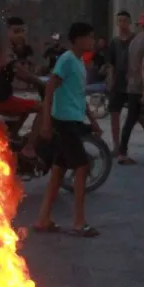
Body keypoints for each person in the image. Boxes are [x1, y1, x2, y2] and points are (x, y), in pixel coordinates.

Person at [32, 22, 104, 238]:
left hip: (73, 120)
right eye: (89, 37)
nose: (92, 41)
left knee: (59, 170)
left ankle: (43, 219)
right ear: (78, 39)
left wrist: (92, 119)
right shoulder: (66, 60)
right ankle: (79, 222)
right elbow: (50, 88)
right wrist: (46, 122)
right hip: (63, 122)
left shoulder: (80, 62)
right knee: (81, 167)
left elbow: (79, 95)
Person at [0, 16, 42, 140]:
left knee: (24, 109)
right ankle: (30, 148)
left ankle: (11, 137)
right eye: (16, 32)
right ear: (6, 32)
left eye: (22, 32)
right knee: (43, 107)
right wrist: (41, 83)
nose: (20, 35)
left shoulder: (6, 48)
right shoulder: (5, 50)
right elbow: (20, 72)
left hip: (0, 97)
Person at [117, 10, 144, 164]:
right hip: (142, 86)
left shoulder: (135, 40)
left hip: (133, 85)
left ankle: (123, 151)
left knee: (131, 120)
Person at [105, 11, 136, 154]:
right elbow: (111, 63)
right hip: (118, 82)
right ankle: (116, 145)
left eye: (125, 21)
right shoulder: (114, 42)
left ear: (129, 22)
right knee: (114, 113)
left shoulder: (135, 40)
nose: (122, 24)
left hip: (133, 82)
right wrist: (110, 79)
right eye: (120, 21)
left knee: (139, 114)